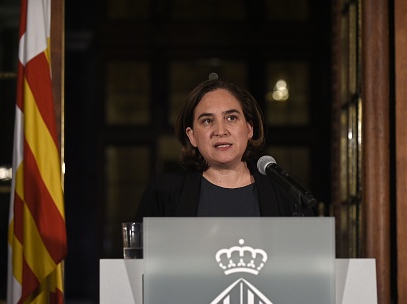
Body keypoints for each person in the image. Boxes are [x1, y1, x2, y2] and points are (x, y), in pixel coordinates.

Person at [134, 78, 315, 220]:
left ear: (249, 129)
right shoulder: (164, 191)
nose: (220, 131)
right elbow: (140, 261)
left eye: (231, 118)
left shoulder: (285, 192)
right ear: (192, 136)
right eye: (207, 121)